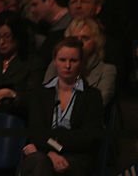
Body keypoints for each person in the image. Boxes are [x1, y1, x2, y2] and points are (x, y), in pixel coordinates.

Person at [20, 37, 104, 176]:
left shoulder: (92, 96)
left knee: (43, 161)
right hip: (44, 154)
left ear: (81, 63)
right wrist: (51, 153)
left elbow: (87, 138)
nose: (67, 66)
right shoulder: (40, 93)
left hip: (77, 158)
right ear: (55, 61)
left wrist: (53, 146)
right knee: (40, 161)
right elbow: (36, 131)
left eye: (73, 60)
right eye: (62, 60)